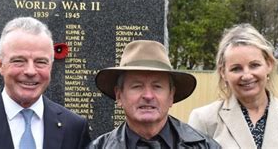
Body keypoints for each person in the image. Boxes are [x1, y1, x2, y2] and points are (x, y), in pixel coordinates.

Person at [0, 17, 91, 149]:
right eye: (19, 61)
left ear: (51, 66)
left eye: (41, 62)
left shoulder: (74, 127)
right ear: (0, 65)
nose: (31, 71)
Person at [188, 24, 278, 149]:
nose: (247, 75)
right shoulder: (204, 120)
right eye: (236, 68)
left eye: (254, 65)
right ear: (223, 73)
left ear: (269, 65)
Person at [88, 40, 220, 149]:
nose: (148, 96)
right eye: (137, 86)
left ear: (171, 96)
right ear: (119, 95)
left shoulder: (205, 146)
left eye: (157, 87)